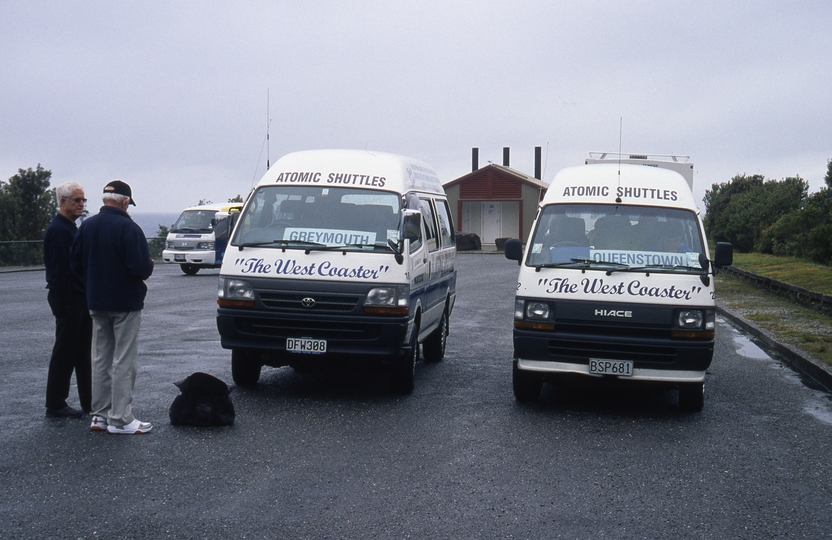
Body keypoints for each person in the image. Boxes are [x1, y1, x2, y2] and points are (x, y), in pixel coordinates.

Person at [71, 180, 155, 434]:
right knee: (124, 360)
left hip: (96, 301)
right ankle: (120, 418)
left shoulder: (87, 226)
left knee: (101, 358)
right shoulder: (129, 228)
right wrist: (150, 263)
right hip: (125, 303)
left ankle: (100, 414)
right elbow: (140, 268)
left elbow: (75, 265)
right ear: (125, 201)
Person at [43, 182, 92, 418]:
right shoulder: (60, 230)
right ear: (63, 202)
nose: (81, 204)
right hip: (69, 297)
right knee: (65, 352)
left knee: (82, 351)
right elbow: (61, 269)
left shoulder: (70, 227)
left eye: (83, 200)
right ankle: (55, 402)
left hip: (78, 296)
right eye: (76, 200)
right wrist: (66, 302)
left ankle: (88, 401)